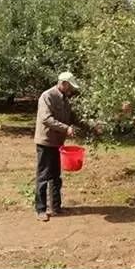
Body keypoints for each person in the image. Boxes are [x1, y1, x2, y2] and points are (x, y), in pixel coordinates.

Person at [33, 71, 87, 222]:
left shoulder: (65, 99)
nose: (71, 90)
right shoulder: (47, 96)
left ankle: (56, 206)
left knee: (56, 176)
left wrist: (90, 126)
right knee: (43, 176)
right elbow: (46, 119)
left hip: (58, 143)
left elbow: (73, 118)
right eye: (70, 87)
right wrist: (66, 128)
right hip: (45, 142)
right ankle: (40, 209)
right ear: (63, 83)